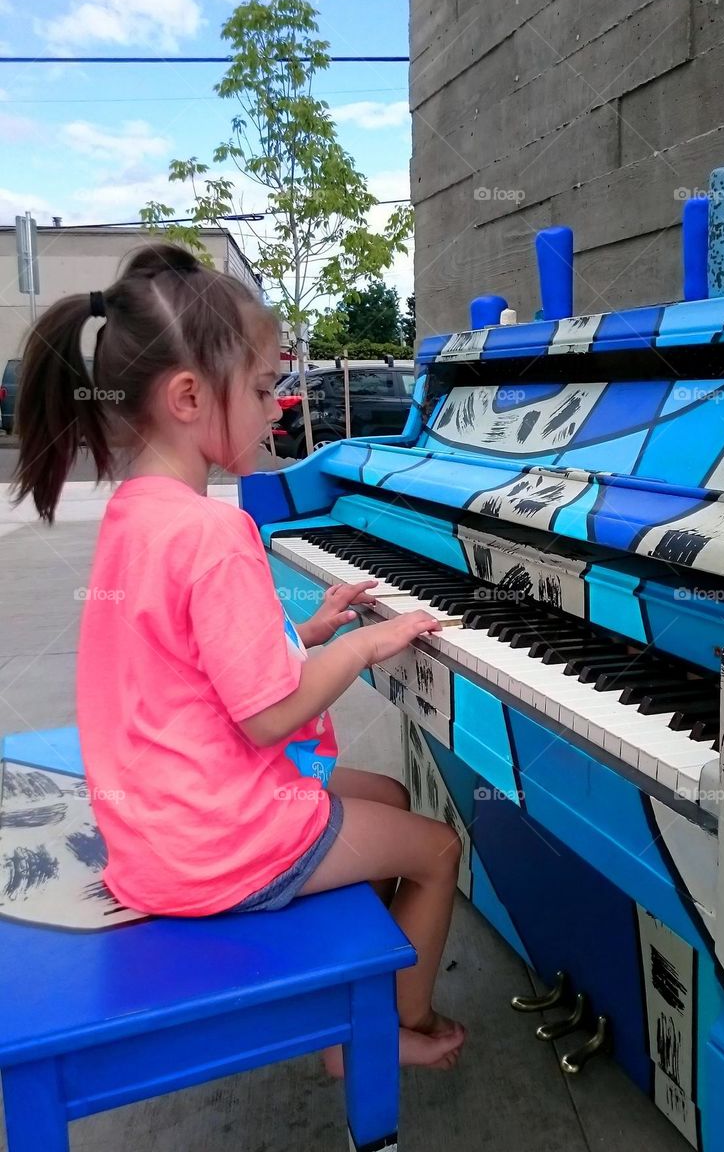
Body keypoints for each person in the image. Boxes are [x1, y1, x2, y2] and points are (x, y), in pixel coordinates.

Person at [13, 242, 465, 1070]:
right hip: (212, 845)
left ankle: (350, 996)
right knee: (438, 849)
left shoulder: (134, 515)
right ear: (189, 396)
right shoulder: (214, 530)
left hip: (156, 827)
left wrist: (315, 632)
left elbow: (198, 664)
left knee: (391, 791)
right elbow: (268, 717)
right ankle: (381, 1039)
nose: (280, 410)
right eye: (262, 390)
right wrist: (369, 639)